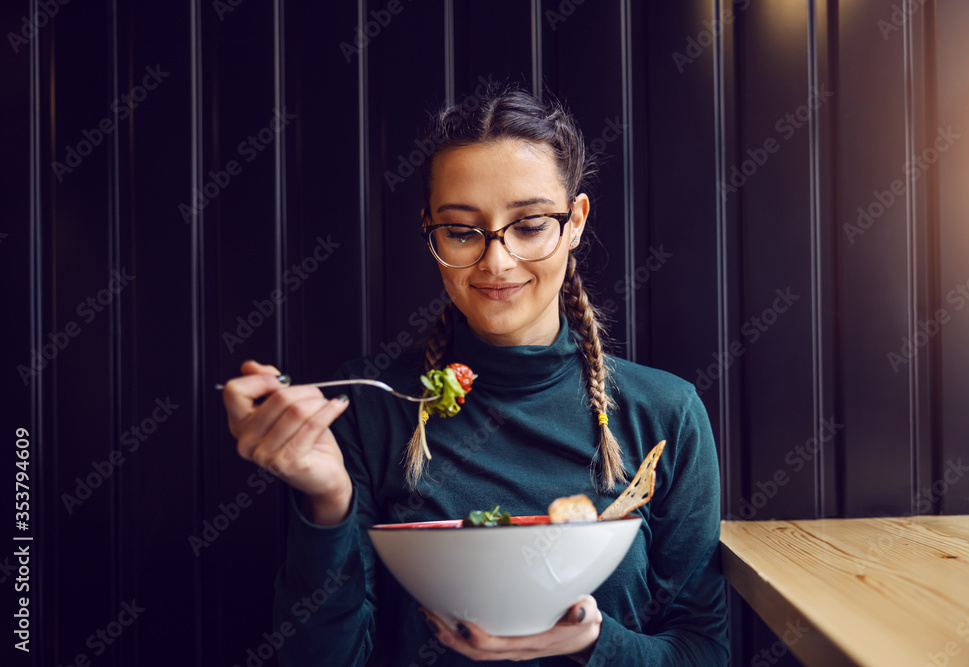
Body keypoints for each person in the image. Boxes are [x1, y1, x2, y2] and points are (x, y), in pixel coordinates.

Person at [223, 82, 729, 666]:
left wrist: (594, 645)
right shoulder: (368, 407)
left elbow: (702, 652)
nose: (496, 261)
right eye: (462, 231)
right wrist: (328, 502)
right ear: (429, 231)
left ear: (575, 222)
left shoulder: (665, 413)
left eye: (531, 224)